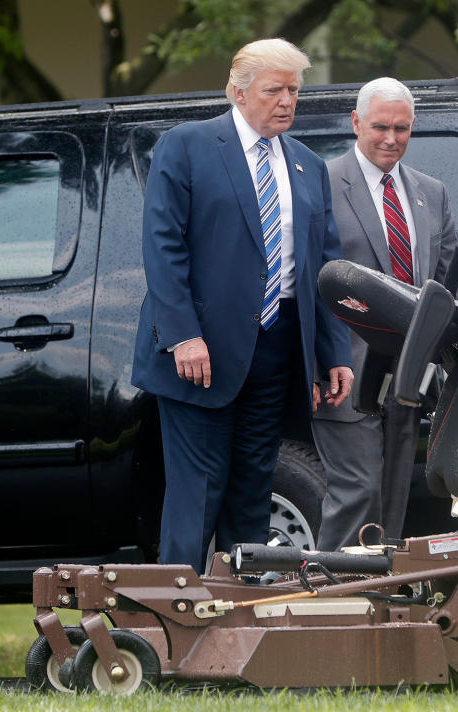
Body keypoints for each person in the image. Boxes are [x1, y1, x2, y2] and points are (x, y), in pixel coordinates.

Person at [132, 38, 353, 573]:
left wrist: (332, 351)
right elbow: (163, 248)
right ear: (237, 91)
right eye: (274, 90)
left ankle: (240, 616)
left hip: (276, 348)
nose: (286, 101)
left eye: (294, 90)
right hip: (199, 351)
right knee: (198, 491)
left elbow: (322, 264)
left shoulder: (306, 165)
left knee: (254, 489)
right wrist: (183, 334)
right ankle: (174, 621)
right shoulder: (186, 146)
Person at [312, 77, 458, 550]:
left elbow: (448, 285)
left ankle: (376, 600)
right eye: (380, 126)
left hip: (409, 377)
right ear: (356, 122)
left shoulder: (431, 192)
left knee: (394, 497)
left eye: (402, 128)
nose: (391, 138)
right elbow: (303, 281)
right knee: (358, 489)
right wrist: (314, 362)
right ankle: (330, 599)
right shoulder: (321, 183)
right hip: (344, 370)